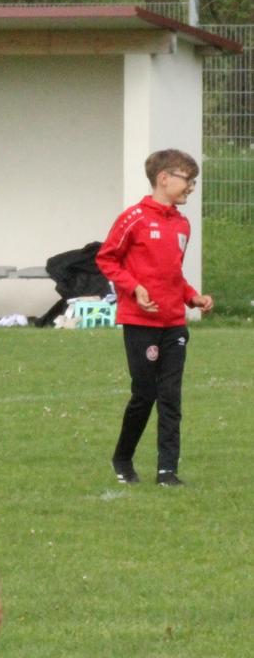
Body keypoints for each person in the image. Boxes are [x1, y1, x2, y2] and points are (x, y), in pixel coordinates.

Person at [97, 149, 213, 488]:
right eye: (186, 179)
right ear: (164, 178)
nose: (191, 186)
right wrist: (134, 289)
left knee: (171, 396)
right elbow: (107, 260)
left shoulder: (182, 223)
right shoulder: (133, 218)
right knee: (145, 393)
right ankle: (122, 457)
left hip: (174, 323)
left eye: (193, 181)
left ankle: (167, 471)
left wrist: (193, 297)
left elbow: (172, 275)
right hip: (140, 323)